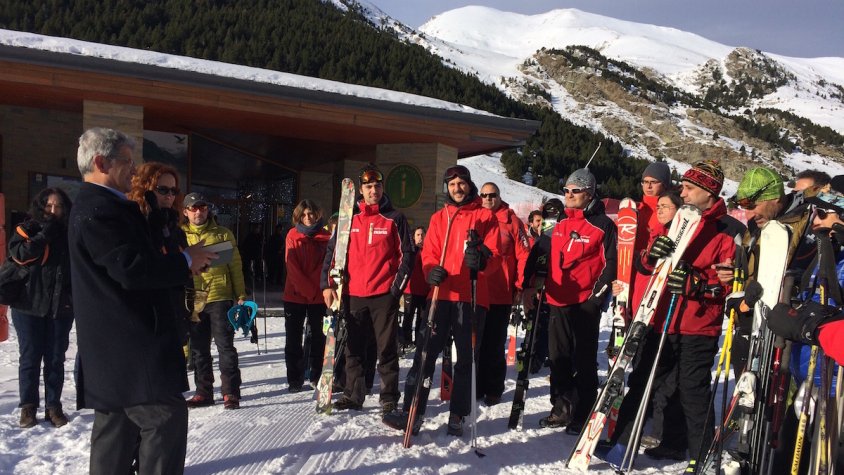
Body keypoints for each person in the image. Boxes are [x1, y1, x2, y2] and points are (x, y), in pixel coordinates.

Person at [69, 127, 215, 474]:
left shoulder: (108, 207)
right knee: (165, 416)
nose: (133, 171)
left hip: (117, 351)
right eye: (127, 162)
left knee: (116, 431)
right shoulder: (99, 210)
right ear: (101, 162)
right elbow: (131, 269)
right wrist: (184, 260)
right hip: (130, 344)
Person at [606, 160, 740, 463]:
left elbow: (728, 285)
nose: (683, 191)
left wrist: (699, 285)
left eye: (690, 188)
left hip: (697, 325)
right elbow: (645, 263)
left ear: (709, 192)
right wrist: (650, 256)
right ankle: (621, 444)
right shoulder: (676, 222)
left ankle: (701, 457)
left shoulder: (725, 231)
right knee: (643, 381)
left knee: (692, 392)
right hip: (662, 317)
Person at [383, 164, 501, 436]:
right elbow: (429, 255)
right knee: (425, 353)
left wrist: (482, 260)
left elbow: (495, 254)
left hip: (470, 297)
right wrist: (429, 271)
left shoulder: (484, 217)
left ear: (469, 185)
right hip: (441, 295)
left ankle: (458, 413)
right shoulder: (439, 218)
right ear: (446, 188)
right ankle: (414, 410)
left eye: (461, 183)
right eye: (452, 185)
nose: (457, 188)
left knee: (465, 358)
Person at [522, 167, 616, 434]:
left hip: (585, 301)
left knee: (584, 359)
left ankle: (584, 411)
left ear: (589, 193)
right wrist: (530, 286)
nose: (569, 195)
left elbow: (611, 263)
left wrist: (596, 296)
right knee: (558, 358)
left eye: (575, 191)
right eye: (566, 190)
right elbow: (540, 254)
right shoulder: (558, 223)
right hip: (557, 299)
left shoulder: (603, 225)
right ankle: (561, 407)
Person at [321, 164, 414, 414]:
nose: (374, 190)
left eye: (377, 186)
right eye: (369, 186)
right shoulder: (348, 220)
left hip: (384, 295)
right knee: (353, 349)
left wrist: (395, 290)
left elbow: (407, 256)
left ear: (383, 188)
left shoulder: (395, 219)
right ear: (360, 191)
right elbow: (333, 254)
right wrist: (327, 285)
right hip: (353, 295)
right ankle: (354, 393)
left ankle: (389, 396)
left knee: (386, 349)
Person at [9, 187, 74, 428]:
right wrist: (43, 235)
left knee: (56, 358)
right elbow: (18, 254)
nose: (54, 210)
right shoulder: (28, 229)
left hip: (61, 306)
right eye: (49, 206)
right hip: (28, 305)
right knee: (30, 357)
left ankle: (53, 406)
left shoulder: (71, 233)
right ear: (40, 206)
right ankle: (28, 407)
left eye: (58, 206)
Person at [182, 192, 248, 410]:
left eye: (202, 207)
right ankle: (203, 392)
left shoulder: (223, 234)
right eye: (193, 208)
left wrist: (240, 295)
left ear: (207, 210)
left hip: (220, 296)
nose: (198, 211)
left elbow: (235, 267)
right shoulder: (179, 235)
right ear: (186, 212)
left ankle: (230, 392)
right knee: (199, 349)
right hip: (193, 297)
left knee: (225, 347)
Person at [127, 162, 192, 358]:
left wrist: (192, 265)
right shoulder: (135, 223)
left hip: (173, 314)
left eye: (174, 190)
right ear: (145, 189)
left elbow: (177, 268)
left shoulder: (174, 227)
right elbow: (141, 269)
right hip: (145, 322)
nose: (169, 196)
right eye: (162, 189)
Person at [476, 182, 530, 406]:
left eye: (492, 195)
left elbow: (524, 255)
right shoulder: (476, 218)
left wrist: (519, 286)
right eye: (484, 195)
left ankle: (494, 388)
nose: (488, 199)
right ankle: (476, 385)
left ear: (499, 196)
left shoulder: (512, 222)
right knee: (476, 342)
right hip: (478, 291)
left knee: (495, 343)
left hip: (501, 292)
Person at [283, 199, 330, 392]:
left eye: (311, 213)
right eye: (304, 214)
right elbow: (292, 266)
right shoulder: (292, 235)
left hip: (319, 296)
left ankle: (315, 373)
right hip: (295, 295)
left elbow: (326, 265)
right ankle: (295, 378)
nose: (308, 217)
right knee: (293, 338)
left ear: (317, 214)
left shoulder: (327, 237)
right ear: (298, 216)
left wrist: (316, 290)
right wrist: (308, 290)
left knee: (318, 337)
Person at [401, 226, 429, 351]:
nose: (420, 237)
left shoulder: (428, 250)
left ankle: (419, 341)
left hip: (424, 290)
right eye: (418, 234)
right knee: (408, 316)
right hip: (410, 290)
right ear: (413, 236)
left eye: (422, 234)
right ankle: (405, 341)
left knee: (422, 318)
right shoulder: (410, 250)